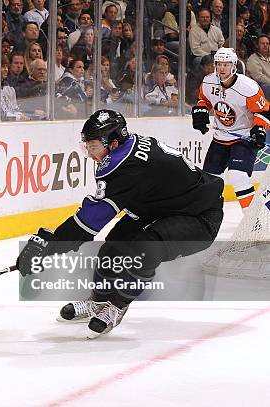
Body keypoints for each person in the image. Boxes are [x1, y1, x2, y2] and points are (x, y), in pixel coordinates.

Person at [17, 109, 225, 338]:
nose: (90, 153)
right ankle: (98, 301)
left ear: (113, 143)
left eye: (94, 147)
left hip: (199, 216)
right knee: (113, 247)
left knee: (145, 250)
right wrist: (50, 245)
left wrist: (48, 248)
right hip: (164, 208)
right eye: (87, 146)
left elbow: (87, 224)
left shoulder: (125, 168)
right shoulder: (126, 148)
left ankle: (116, 305)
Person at [192, 47, 270, 210]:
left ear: (234, 66)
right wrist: (200, 110)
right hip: (220, 138)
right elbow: (203, 99)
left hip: (243, 138)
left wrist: (259, 129)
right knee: (209, 181)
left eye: (226, 65)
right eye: (219, 64)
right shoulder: (208, 81)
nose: (221, 68)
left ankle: (252, 222)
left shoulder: (248, 87)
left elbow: (263, 111)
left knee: (238, 177)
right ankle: (207, 219)